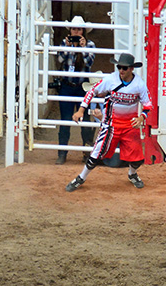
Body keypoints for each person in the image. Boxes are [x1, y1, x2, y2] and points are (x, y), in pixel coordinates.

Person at [64, 53, 153, 191]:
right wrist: (81, 110)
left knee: (137, 159)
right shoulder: (111, 79)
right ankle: (80, 178)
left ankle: (132, 174)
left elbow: (148, 105)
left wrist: (141, 117)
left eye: (124, 68)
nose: (121, 70)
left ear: (131, 69)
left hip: (130, 125)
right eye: (119, 67)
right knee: (96, 155)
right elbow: (91, 91)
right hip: (111, 124)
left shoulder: (139, 84)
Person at [54, 15, 96, 165]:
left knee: (85, 121)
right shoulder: (65, 43)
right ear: (70, 30)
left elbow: (89, 62)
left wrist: (83, 48)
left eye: (79, 29)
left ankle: (87, 153)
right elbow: (59, 60)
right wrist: (67, 47)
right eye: (74, 29)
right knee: (65, 120)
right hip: (67, 86)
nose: (76, 32)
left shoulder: (90, 44)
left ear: (83, 31)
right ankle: (62, 153)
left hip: (83, 87)